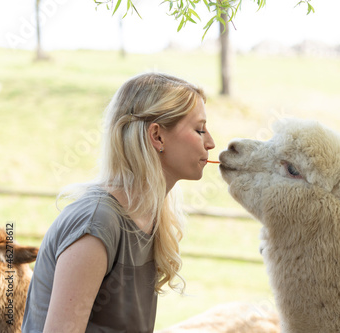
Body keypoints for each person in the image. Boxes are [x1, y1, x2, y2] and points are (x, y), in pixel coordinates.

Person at [22, 72, 216, 332]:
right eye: (199, 129)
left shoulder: (149, 217)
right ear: (157, 136)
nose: (211, 143)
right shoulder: (97, 222)